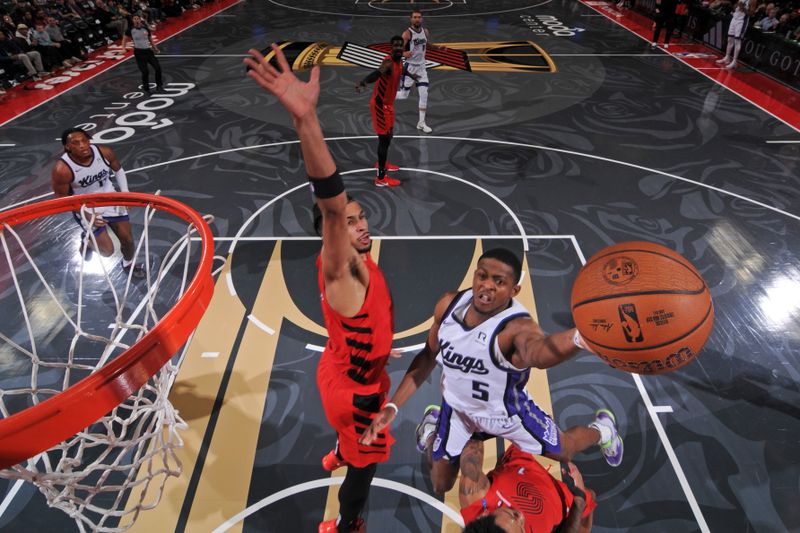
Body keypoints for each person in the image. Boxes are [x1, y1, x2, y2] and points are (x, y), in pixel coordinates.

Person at [245, 44, 398, 533]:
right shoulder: (341, 269)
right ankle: (349, 521)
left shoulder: (356, 265)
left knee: (350, 443)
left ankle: (338, 448)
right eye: (349, 222)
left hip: (339, 364)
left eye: (361, 216)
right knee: (365, 468)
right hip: (357, 396)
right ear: (332, 233)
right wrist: (306, 121)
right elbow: (330, 201)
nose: (360, 224)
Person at [360, 248, 623, 495]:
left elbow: (540, 353)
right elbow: (428, 355)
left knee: (564, 450)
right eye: (482, 276)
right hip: (458, 410)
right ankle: (432, 428)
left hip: (506, 414)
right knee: (441, 484)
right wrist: (392, 407)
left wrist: (577, 338)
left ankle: (603, 429)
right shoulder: (448, 306)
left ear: (514, 289)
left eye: (499, 282)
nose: (487, 285)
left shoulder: (517, 328)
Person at [51, 127, 145, 279]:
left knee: (127, 240)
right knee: (107, 251)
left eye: (85, 140)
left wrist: (125, 192)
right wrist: (87, 215)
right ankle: (87, 242)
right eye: (76, 143)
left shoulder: (103, 152)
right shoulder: (62, 169)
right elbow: (62, 199)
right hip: (85, 207)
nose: (83, 145)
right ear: (67, 147)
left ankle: (128, 264)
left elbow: (118, 170)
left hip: (110, 198)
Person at [459, 439, 595, 533]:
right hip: (560, 501)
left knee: (547, 429)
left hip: (520, 464)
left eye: (513, 515)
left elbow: (473, 439)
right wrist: (579, 501)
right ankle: (604, 431)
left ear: (483, 515)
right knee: (590, 498)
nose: (521, 517)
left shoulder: (474, 494)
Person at [355, 35, 414, 188]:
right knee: (384, 139)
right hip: (380, 106)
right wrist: (364, 82)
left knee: (389, 135)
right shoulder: (388, 62)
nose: (398, 48)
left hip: (389, 105)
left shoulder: (400, 61)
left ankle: (382, 162)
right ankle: (380, 178)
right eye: (395, 46)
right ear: (391, 47)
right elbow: (377, 73)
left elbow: (402, 71)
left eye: (400, 45)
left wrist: (412, 76)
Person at [396, 10, 448, 134]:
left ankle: (421, 123)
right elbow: (396, 51)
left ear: (422, 19)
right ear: (411, 19)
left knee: (424, 94)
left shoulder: (425, 31)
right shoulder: (407, 34)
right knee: (403, 96)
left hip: (421, 68)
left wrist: (438, 48)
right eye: (415, 17)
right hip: (409, 68)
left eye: (419, 17)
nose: (417, 19)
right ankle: (385, 96)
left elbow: (427, 45)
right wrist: (403, 53)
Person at [129, 14, 163, 93]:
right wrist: (123, 48)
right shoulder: (130, 30)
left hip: (148, 51)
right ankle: (146, 89)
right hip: (139, 53)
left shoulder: (145, 29)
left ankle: (159, 86)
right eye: (135, 19)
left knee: (157, 67)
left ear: (140, 20)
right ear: (133, 20)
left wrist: (155, 49)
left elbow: (150, 39)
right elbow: (124, 38)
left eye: (138, 19)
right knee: (145, 71)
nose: (136, 20)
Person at [716, 0, 752, 69]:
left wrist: (743, 7)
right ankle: (727, 57)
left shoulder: (752, 1)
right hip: (734, 18)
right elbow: (735, 7)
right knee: (730, 39)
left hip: (742, 21)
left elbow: (751, 14)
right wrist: (736, 6)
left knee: (737, 41)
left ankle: (734, 61)